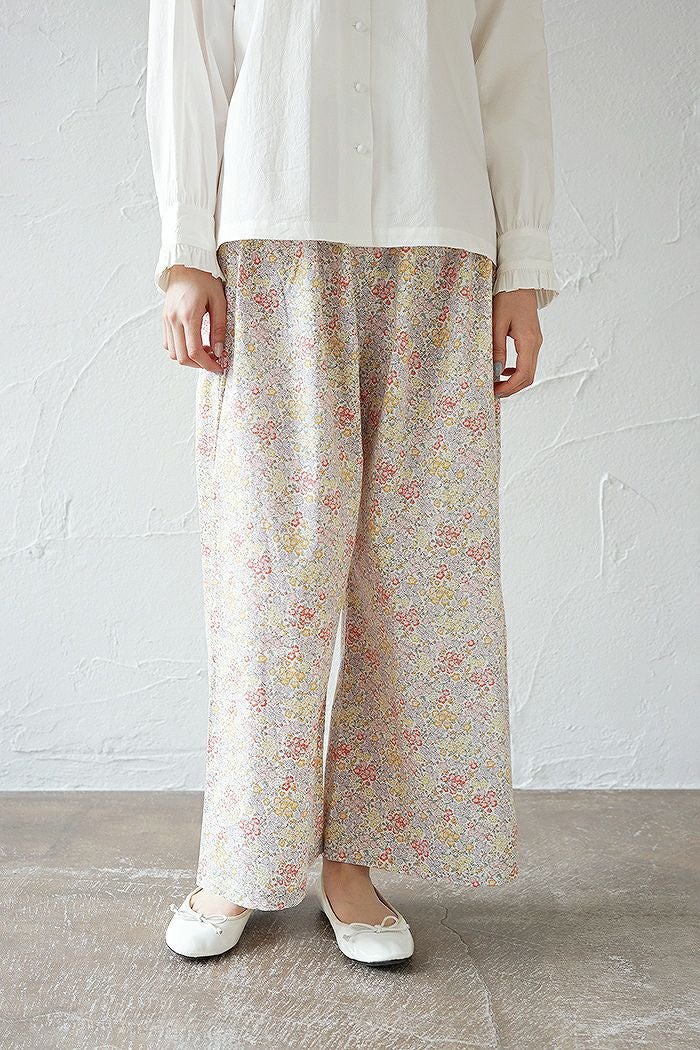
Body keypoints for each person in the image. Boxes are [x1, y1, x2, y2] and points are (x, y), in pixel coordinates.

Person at [146, 0, 560, 967]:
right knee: (272, 576)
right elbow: (188, 50)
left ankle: (356, 862)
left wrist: (525, 266)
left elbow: (511, 62)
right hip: (273, 234)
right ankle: (242, 855)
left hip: (443, 242)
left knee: (420, 578)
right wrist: (184, 248)